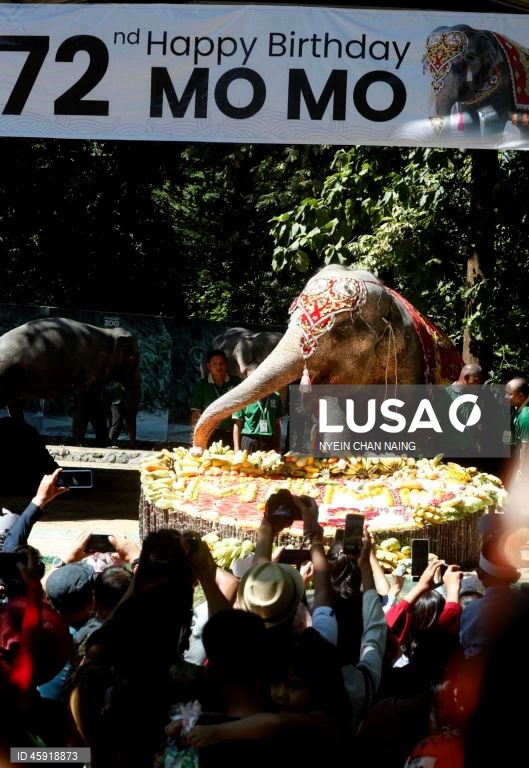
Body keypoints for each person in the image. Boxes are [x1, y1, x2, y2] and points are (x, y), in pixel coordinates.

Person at [190, 349, 242, 448]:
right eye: (215, 364)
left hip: (231, 434)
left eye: (221, 363)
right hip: (209, 435)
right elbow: (196, 413)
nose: (219, 366)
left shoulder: (236, 382)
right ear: (208, 366)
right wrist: (196, 441)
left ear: (226, 364)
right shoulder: (202, 385)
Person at [0, 416, 60, 496]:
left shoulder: (27, 430)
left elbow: (45, 461)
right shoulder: (28, 430)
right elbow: (46, 461)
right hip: (26, 486)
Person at [232, 364, 283, 454]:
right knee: (248, 467)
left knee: (269, 468)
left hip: (269, 442)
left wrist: (278, 446)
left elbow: (277, 424)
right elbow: (237, 424)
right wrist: (236, 448)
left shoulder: (275, 396)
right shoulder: (243, 397)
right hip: (249, 441)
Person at [505, 376, 529, 484]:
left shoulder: (525, 416)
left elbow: (526, 448)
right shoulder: (517, 406)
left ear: (521, 396)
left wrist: (521, 471)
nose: (505, 397)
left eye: (509, 394)